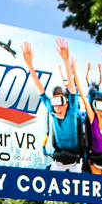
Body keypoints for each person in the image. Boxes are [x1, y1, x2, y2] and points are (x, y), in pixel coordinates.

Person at [22, 38, 82, 172]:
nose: (57, 108)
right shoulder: (53, 111)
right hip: (58, 161)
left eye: (60, 103)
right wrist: (29, 64)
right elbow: (41, 92)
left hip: (74, 162)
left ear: (66, 103)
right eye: (54, 104)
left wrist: (66, 61)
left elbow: (72, 91)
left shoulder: (71, 111)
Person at [72, 59, 102, 176]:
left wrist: (100, 70)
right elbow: (83, 97)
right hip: (95, 160)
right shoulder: (93, 118)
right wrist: (75, 73)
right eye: (99, 109)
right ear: (95, 109)